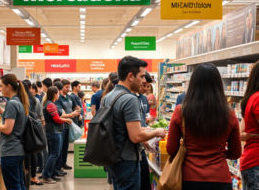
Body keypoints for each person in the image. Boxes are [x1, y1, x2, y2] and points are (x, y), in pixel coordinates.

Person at [166, 63, 241, 190]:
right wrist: (218, 152)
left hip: (189, 178)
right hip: (220, 178)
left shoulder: (181, 111)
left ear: (193, 83)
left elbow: (171, 149)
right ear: (218, 84)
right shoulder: (229, 114)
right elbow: (235, 152)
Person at [102, 56, 165, 190]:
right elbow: (135, 137)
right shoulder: (130, 99)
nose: (143, 81)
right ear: (131, 76)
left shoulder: (109, 96)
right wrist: (156, 132)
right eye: (141, 76)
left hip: (113, 157)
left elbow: (118, 127)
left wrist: (141, 128)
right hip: (128, 160)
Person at [0, 74, 29, 190]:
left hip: (10, 151)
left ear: (8, 86)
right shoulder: (19, 101)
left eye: (1, 86)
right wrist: (0, 110)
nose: (0, 89)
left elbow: (7, 129)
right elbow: (15, 120)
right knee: (19, 184)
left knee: (13, 186)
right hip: (18, 149)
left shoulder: (11, 103)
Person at [42, 86, 73, 184]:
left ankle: (52, 173)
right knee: (55, 153)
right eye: (58, 93)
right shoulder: (51, 105)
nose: (59, 94)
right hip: (54, 131)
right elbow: (57, 119)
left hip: (52, 131)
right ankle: (46, 175)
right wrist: (67, 120)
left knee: (52, 153)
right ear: (55, 94)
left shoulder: (50, 103)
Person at [239, 62, 259, 189]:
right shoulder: (257, 98)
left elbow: (241, 133)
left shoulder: (251, 98)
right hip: (256, 162)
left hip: (250, 161)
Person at [22, 80, 44, 186]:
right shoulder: (35, 99)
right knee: (34, 152)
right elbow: (40, 114)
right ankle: (34, 177)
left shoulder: (22, 100)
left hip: (26, 129)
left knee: (27, 154)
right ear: (30, 87)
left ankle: (27, 176)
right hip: (35, 127)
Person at [135, 71, 153, 190]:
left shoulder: (143, 98)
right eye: (144, 84)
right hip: (132, 150)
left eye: (147, 86)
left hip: (140, 145)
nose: (146, 88)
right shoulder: (130, 99)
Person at [57, 79, 81, 170]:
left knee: (65, 146)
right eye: (66, 87)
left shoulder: (70, 97)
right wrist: (71, 115)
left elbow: (76, 107)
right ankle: (58, 166)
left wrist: (78, 110)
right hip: (61, 125)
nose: (68, 89)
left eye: (69, 87)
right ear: (61, 87)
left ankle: (64, 163)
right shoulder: (59, 98)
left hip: (68, 125)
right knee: (60, 146)